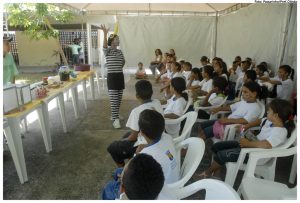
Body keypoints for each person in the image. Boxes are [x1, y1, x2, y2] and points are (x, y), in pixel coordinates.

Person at [198, 99, 295, 178]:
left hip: (256, 155)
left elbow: (267, 144)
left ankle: (207, 173)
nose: (267, 112)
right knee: (217, 146)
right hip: (250, 146)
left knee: (222, 154)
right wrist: (246, 126)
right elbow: (260, 120)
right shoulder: (269, 121)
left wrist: (248, 144)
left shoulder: (280, 131)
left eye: (269, 111)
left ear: (276, 115)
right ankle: (216, 170)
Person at [107, 80, 163, 167]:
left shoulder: (136, 111)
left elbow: (134, 136)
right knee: (126, 135)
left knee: (112, 147)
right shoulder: (157, 102)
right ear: (151, 92)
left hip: (145, 143)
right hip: (157, 135)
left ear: (137, 96)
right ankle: (129, 156)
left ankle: (122, 168)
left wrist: (123, 141)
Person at [198, 81, 267, 140]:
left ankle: (197, 148)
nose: (243, 94)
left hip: (232, 127)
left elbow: (245, 120)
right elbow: (231, 107)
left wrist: (228, 120)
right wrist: (219, 109)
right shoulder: (244, 101)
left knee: (204, 132)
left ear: (254, 94)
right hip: (227, 121)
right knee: (202, 125)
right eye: (243, 91)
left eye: (245, 92)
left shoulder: (256, 107)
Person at [137, 109, 180, 183]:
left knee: (117, 176)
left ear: (142, 133)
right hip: (174, 181)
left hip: (161, 191)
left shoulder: (145, 155)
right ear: (163, 128)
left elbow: (137, 177)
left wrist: (138, 151)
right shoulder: (168, 137)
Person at [100, 24, 126, 128]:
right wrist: (105, 34)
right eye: (116, 38)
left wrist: (118, 67)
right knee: (114, 99)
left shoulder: (120, 51)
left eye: (118, 38)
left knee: (119, 98)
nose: (118, 40)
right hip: (112, 77)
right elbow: (104, 46)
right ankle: (115, 119)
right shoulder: (108, 51)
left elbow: (123, 62)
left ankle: (115, 115)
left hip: (120, 76)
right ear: (112, 41)